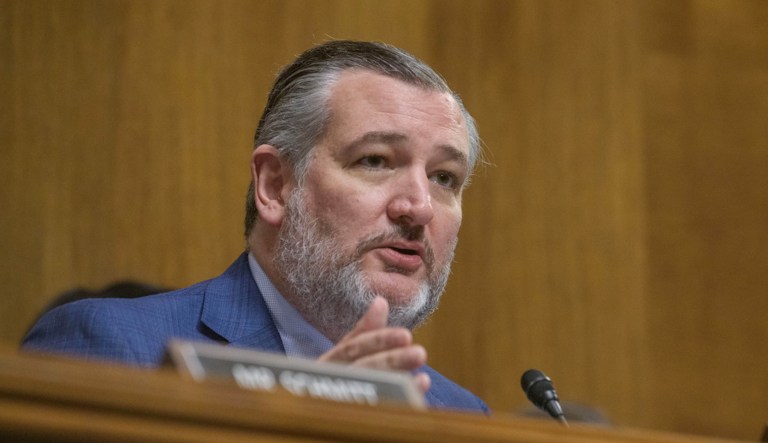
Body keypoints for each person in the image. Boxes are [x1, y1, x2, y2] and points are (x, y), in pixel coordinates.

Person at [22, 40, 488, 413]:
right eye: (375, 160)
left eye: (444, 177)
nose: (420, 207)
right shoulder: (111, 350)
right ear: (274, 185)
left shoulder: (459, 413)